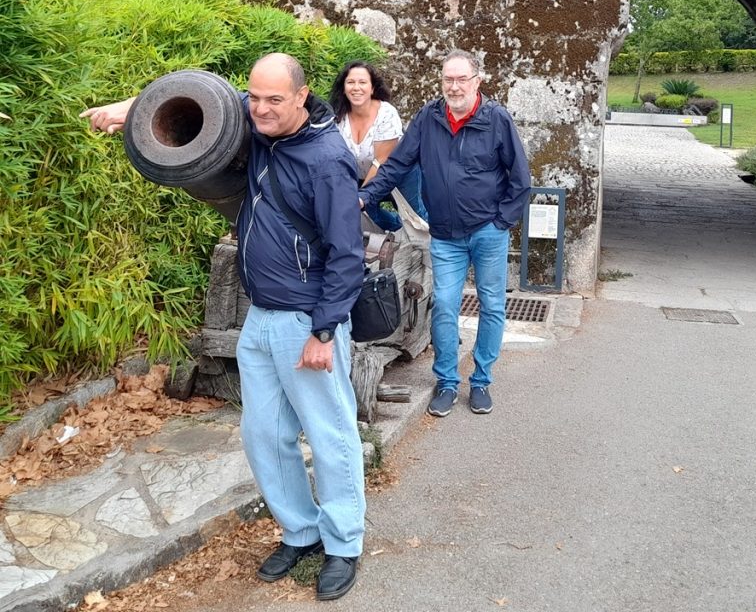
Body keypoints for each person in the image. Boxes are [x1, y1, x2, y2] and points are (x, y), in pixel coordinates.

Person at [81, 54, 366, 601]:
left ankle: (343, 543)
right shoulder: (259, 122)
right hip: (260, 315)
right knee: (264, 435)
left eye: (273, 100)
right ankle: (300, 531)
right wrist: (129, 110)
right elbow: (209, 103)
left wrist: (324, 332)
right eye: (254, 97)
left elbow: (347, 255)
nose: (259, 108)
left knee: (330, 436)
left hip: (307, 320)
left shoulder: (328, 159)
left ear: (302, 98)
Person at [358, 49, 530, 418]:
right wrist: (364, 197)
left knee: (492, 305)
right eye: (447, 79)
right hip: (446, 236)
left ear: (477, 81)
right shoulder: (428, 118)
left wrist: (502, 221)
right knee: (447, 306)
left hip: (487, 231)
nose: (454, 87)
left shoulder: (496, 120)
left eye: (461, 79)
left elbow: (520, 180)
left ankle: (481, 379)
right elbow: (397, 165)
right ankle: (447, 382)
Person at [328, 61, 427, 232]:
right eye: (351, 82)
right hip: (362, 177)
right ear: (343, 88)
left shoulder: (386, 113)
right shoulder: (337, 117)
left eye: (362, 82)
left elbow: (381, 160)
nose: (356, 87)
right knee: (374, 217)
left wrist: (360, 197)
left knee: (417, 217)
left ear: (372, 88)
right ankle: (401, 235)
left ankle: (435, 248)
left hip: (399, 173)